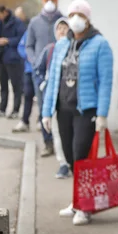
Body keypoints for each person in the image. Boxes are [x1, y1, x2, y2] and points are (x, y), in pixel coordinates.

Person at [42, 0, 113, 225]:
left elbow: (105, 82)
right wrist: (46, 111)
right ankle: (77, 201)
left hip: (86, 110)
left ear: (87, 18)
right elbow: (53, 79)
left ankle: (85, 207)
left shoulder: (100, 44)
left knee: (82, 156)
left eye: (79, 14)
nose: (74, 19)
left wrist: (102, 114)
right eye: (71, 14)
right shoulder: (62, 45)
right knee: (71, 157)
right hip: (63, 108)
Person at [26, 0, 64, 156]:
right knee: (43, 108)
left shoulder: (63, 21)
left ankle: (63, 143)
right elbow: (29, 45)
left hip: (60, 71)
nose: (50, 2)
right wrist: (35, 61)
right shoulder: (35, 22)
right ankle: (48, 143)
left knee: (61, 108)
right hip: (41, 74)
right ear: (43, 1)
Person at [34, 18, 72, 176]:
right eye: (59, 28)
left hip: (71, 99)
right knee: (57, 133)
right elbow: (39, 69)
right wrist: (44, 84)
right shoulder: (50, 49)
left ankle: (74, 163)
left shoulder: (74, 49)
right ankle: (63, 163)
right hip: (54, 99)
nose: (62, 31)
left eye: (65, 28)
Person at [0, 6, 26, 119]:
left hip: (14, 59)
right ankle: (2, 108)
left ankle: (15, 110)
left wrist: (8, 41)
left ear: (5, 12)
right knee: (3, 86)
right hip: (1, 57)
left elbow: (22, 38)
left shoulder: (17, 22)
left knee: (16, 86)